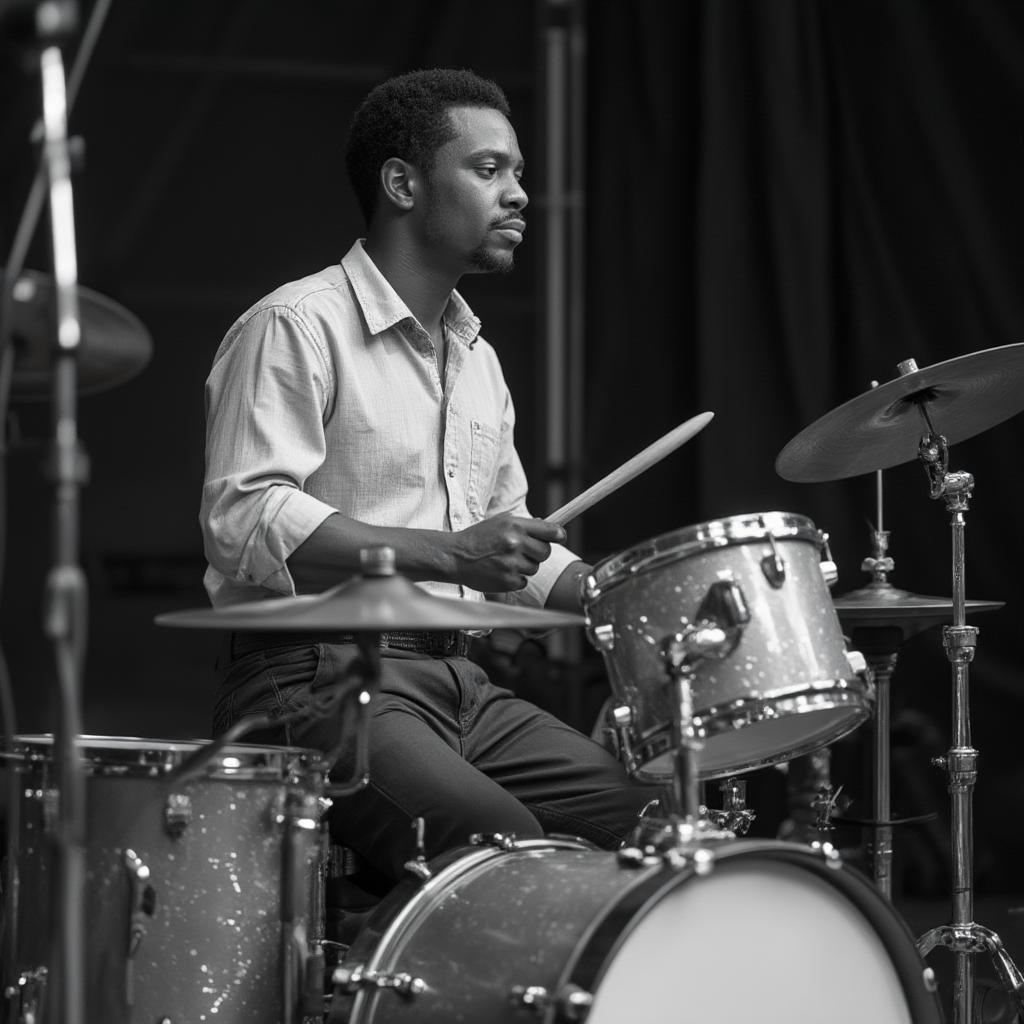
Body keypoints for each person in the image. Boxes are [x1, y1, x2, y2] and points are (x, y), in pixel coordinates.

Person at [201, 68, 658, 899]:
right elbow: (246, 518)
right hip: (311, 681)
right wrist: (451, 555)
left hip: (461, 684)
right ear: (403, 183)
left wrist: (619, 597)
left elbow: (508, 541)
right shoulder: (296, 326)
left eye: (518, 172)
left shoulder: (476, 361)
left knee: (658, 819)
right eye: (489, 171)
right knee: (503, 847)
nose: (520, 194)